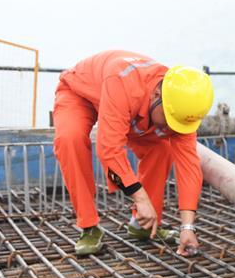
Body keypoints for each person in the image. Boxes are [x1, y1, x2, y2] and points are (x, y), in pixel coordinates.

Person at [52, 50, 214, 257]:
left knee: (161, 147)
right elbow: (108, 151)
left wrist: (187, 227)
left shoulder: (182, 104)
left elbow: (189, 167)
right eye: (169, 120)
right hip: (81, 93)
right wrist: (140, 198)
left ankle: (141, 224)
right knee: (69, 139)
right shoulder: (124, 83)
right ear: (157, 95)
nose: (173, 128)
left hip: (128, 107)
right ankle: (89, 226)